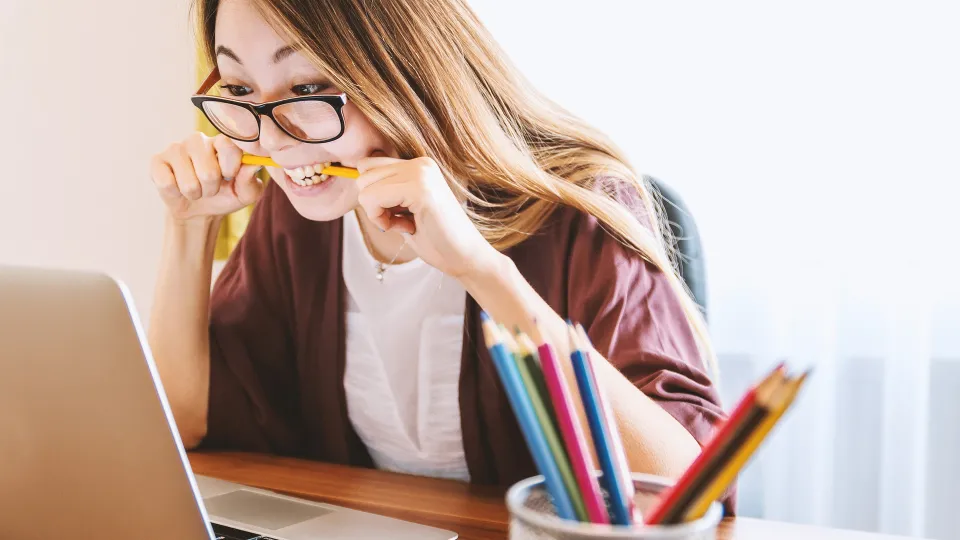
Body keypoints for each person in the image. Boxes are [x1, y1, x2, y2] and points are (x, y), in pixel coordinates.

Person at [148, 0, 732, 511]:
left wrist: (480, 270)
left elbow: (686, 489)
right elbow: (184, 421)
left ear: (406, 69)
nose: (271, 139)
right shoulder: (301, 215)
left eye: (306, 89)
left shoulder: (579, 209)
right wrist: (188, 229)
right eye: (240, 89)